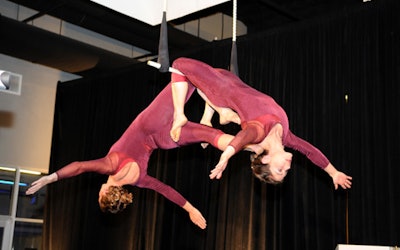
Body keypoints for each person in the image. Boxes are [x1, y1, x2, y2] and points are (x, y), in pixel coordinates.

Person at [26, 80, 241, 229]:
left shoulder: (139, 180)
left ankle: (216, 121)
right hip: (151, 122)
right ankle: (212, 114)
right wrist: (50, 178)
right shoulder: (110, 166)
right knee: (186, 76)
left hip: (165, 140)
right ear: (103, 194)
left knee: (213, 136)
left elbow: (166, 190)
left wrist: (191, 210)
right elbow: (80, 167)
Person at [168, 57, 352, 190]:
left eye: (280, 169)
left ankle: (180, 115)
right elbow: (311, 151)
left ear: (266, 159)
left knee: (178, 65)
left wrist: (226, 157)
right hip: (231, 82)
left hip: (222, 88)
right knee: (222, 104)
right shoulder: (286, 137)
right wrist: (333, 173)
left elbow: (242, 138)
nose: (287, 167)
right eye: (285, 171)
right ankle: (218, 115)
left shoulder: (258, 133)